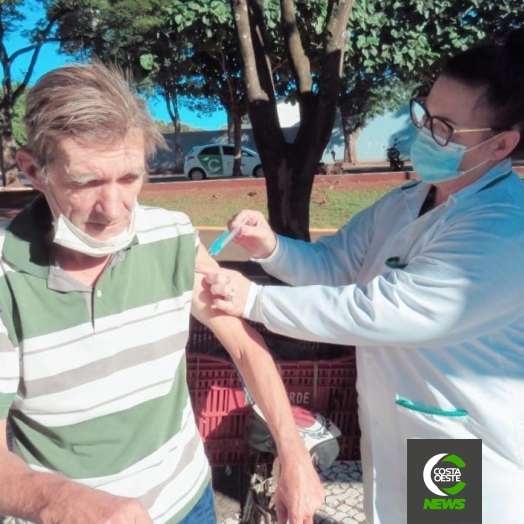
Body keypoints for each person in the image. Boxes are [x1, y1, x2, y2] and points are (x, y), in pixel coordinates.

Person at [199, 29, 524, 524]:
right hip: (400, 429)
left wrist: (255, 302)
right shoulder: (407, 201)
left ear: (501, 145)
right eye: (424, 115)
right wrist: (270, 248)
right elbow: (334, 267)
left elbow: (384, 310)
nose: (423, 134)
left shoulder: (502, 228)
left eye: (444, 128)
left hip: (456, 445)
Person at [0, 62, 325, 524]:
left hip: (188, 500)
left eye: (130, 178)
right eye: (87, 181)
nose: (113, 209)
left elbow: (243, 346)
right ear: (35, 170)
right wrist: (58, 502)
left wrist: (292, 451)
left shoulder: (172, 236)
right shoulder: (5, 278)